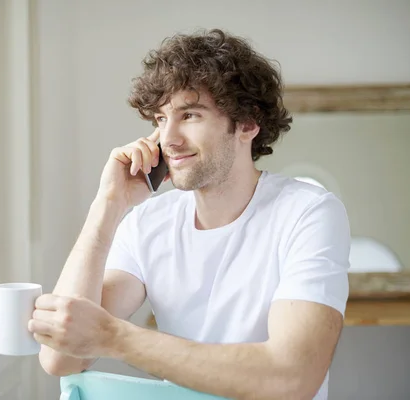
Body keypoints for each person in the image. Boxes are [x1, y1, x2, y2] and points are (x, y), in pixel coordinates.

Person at [28, 28, 350, 400]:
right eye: (160, 119)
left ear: (247, 123)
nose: (169, 139)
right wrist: (107, 206)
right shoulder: (147, 224)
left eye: (190, 115)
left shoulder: (308, 213)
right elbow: (60, 358)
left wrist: (114, 337)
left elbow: (291, 379)